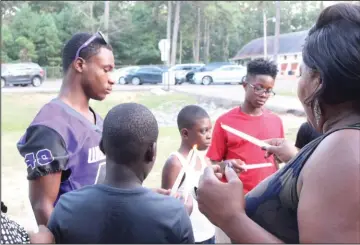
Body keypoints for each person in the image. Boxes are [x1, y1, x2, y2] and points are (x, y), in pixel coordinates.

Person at [196, 3, 360, 243]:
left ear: (318, 80)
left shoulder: (344, 149)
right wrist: (296, 159)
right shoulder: (343, 143)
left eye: (301, 73)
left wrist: (230, 218)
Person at [47, 103, 195, 244]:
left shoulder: (66, 207)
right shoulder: (173, 214)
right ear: (151, 152)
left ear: (102, 146)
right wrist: (180, 217)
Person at [16, 32, 115, 226]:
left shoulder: (98, 119)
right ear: (79, 65)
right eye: (106, 69)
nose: (112, 79)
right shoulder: (49, 128)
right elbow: (42, 206)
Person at [206, 58, 284, 194]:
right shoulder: (225, 122)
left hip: (269, 197)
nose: (264, 95)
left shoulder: (276, 121)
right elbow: (213, 163)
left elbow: (277, 161)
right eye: (258, 88)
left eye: (269, 90)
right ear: (245, 85)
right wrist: (225, 165)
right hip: (237, 197)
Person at [161, 105, 215, 244]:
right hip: (190, 237)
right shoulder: (175, 163)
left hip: (208, 232)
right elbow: (167, 205)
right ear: (185, 134)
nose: (209, 135)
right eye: (203, 131)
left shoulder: (204, 159)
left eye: (210, 130)